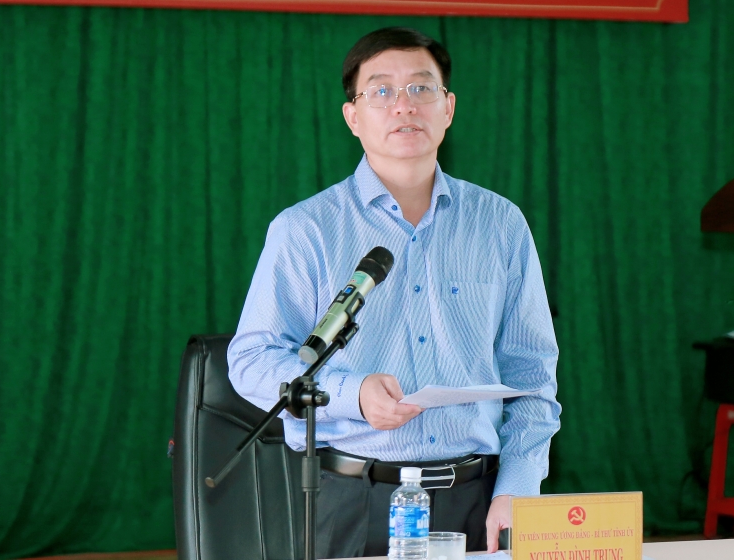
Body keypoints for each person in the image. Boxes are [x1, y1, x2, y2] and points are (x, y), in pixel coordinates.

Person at [228, 27, 560, 558]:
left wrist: (518, 486)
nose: (404, 105)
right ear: (352, 116)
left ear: (448, 108)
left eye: (421, 88)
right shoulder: (306, 230)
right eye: (381, 91)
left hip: (478, 499)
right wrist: (352, 394)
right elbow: (251, 360)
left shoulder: (500, 224)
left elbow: (531, 373)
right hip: (355, 501)